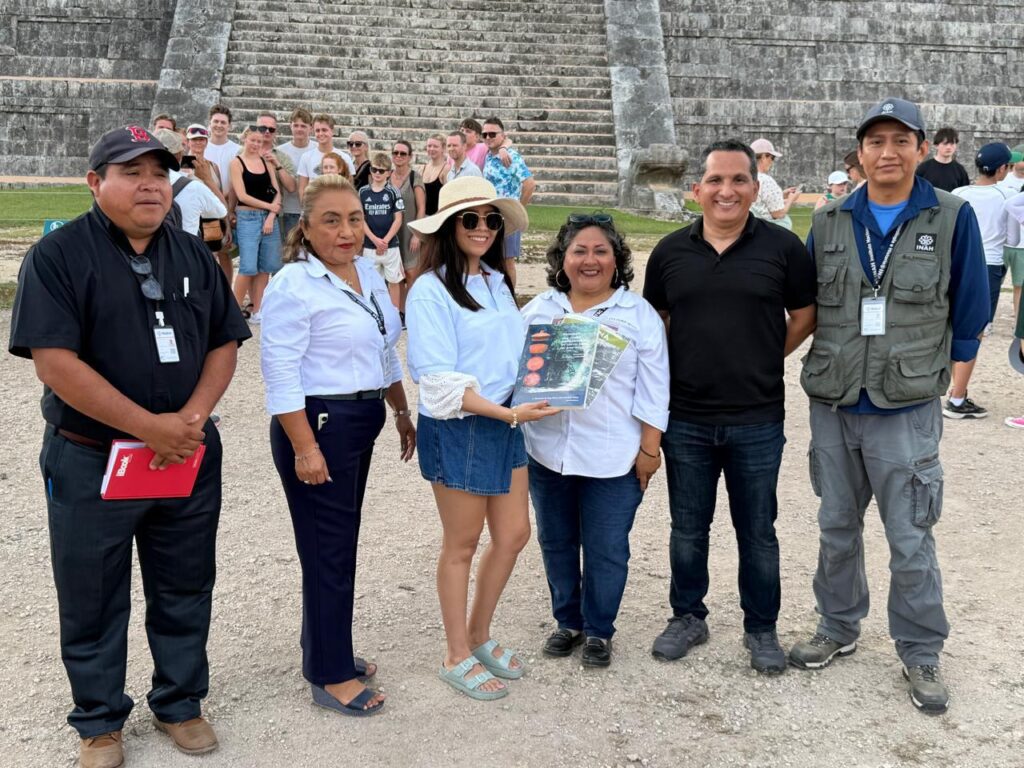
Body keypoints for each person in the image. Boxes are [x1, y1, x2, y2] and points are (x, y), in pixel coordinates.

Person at [7, 125, 251, 767]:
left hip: (186, 455)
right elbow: (53, 361)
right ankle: (99, 721)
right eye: (130, 171)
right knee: (91, 590)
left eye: (158, 173)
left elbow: (225, 340)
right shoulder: (58, 256)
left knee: (185, 580)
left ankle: (180, 702)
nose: (149, 184)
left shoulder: (194, 254)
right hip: (93, 458)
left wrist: (191, 417)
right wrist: (149, 426)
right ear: (96, 183)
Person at [790, 98, 989, 715]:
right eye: (875, 141)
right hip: (836, 397)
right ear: (860, 153)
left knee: (911, 535)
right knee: (835, 526)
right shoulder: (827, 220)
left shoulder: (952, 216)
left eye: (901, 140)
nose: (887, 152)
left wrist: (944, 377)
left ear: (922, 150)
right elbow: (804, 306)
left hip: (905, 404)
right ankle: (837, 626)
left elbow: (973, 306)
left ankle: (921, 647)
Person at [643, 139, 817, 675]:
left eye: (738, 180)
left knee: (757, 529)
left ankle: (760, 627)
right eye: (715, 180)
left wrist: (765, 355)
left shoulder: (784, 248)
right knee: (687, 528)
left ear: (754, 186)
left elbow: (805, 314)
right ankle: (688, 617)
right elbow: (657, 323)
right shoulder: (670, 252)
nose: (727, 190)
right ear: (698, 189)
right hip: (688, 417)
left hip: (757, 417)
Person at [261, 173, 415, 718]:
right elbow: (279, 374)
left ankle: (328, 647)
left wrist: (400, 409)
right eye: (331, 219)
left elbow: (384, 347)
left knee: (338, 543)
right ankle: (329, 673)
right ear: (305, 227)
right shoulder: (292, 284)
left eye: (354, 218)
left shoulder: (368, 272)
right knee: (329, 550)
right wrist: (305, 448)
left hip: (361, 417)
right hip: (319, 424)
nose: (347, 230)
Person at [405, 177, 558, 701]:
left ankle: (478, 634)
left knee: (514, 534)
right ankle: (455, 653)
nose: (483, 228)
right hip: (464, 424)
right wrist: (507, 412)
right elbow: (436, 377)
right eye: (471, 219)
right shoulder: (429, 289)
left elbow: (514, 352)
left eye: (492, 219)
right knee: (462, 545)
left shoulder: (495, 281)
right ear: (449, 225)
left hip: (506, 418)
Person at [522, 214, 669, 667]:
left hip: (613, 458)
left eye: (600, 251)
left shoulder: (637, 316)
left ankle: (599, 630)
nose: (590, 260)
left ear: (616, 259)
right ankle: (568, 621)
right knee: (556, 541)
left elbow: (654, 388)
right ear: (562, 259)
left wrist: (649, 451)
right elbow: (511, 376)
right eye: (579, 251)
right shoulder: (539, 311)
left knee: (607, 548)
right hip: (548, 453)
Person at [945, 143, 1013, 420]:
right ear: (1001, 169)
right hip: (987, 265)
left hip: (953, 261)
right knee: (974, 329)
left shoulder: (958, 193)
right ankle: (958, 397)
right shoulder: (1006, 194)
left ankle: (945, 386)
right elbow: (1010, 235)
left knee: (946, 322)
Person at [229, 125, 282, 323]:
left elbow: (277, 191)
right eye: (253, 140)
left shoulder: (266, 162)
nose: (256, 144)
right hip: (248, 217)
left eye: (259, 142)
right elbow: (242, 195)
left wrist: (270, 215)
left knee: (265, 266)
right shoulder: (236, 163)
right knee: (247, 267)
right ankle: (233, 311)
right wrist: (269, 206)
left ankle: (258, 309)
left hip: (269, 218)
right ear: (245, 139)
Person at [482, 117, 535, 288]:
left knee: (507, 261)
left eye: (492, 134)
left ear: (502, 135)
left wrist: (519, 208)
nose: (488, 137)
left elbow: (529, 184)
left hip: (508, 217)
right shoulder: (489, 156)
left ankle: (510, 298)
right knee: (490, 259)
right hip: (491, 216)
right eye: (485, 134)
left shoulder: (512, 156)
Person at [154, 129, 227, 241]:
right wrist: (207, 179)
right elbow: (222, 211)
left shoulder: (135, 182)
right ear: (179, 155)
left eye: (201, 139)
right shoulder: (194, 187)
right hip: (184, 248)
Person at [186, 123, 233, 282]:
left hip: (211, 220)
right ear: (188, 141)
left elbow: (219, 197)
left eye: (201, 139)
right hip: (190, 220)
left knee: (214, 259)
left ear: (206, 141)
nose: (198, 143)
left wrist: (226, 224)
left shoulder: (213, 166)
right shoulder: (182, 166)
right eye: (194, 139)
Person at [358, 151, 405, 307]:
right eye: (374, 169)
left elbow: (398, 219)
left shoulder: (393, 192)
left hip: (390, 246)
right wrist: (374, 240)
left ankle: (395, 314)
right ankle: (377, 313)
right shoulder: (363, 192)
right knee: (372, 284)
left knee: (394, 282)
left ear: (389, 173)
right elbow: (361, 219)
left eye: (381, 170)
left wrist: (384, 241)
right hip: (370, 246)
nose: (377, 173)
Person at [390, 139, 425, 301]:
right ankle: (402, 311)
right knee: (396, 275)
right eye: (395, 153)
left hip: (410, 233)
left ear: (410, 156)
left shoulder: (414, 178)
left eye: (403, 153)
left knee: (411, 273)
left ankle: (413, 308)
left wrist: (417, 234)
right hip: (392, 233)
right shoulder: (386, 176)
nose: (399, 156)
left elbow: (421, 208)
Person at [277, 107, 316, 239]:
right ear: (290, 126)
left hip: (313, 211)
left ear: (311, 128)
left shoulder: (318, 149)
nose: (299, 129)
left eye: (303, 126)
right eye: (296, 125)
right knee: (290, 253)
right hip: (289, 209)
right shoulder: (280, 151)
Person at [297, 115, 355, 200]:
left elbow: (350, 188)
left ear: (332, 131)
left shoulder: (345, 157)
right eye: (317, 130)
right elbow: (302, 189)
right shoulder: (306, 157)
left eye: (324, 130)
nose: (320, 134)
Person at [749, 138, 800, 230]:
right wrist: (791, 200)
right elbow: (778, 214)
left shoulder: (745, 177)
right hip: (767, 231)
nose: (772, 161)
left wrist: (781, 195)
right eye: (772, 157)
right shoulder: (766, 180)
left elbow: (760, 201)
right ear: (764, 156)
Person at [915, 127, 970, 193]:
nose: (948, 147)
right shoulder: (923, 168)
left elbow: (964, 194)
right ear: (936, 145)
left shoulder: (960, 170)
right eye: (945, 144)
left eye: (952, 144)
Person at [204, 104, 240, 197]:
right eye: (216, 121)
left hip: (230, 202)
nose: (219, 125)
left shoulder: (238, 150)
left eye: (223, 122)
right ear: (209, 123)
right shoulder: (201, 148)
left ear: (229, 126)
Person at [420, 133, 452, 215]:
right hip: (422, 217)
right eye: (429, 146)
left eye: (435, 146)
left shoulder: (447, 169)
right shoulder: (422, 169)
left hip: (438, 217)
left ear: (443, 149)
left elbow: (448, 198)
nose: (431, 149)